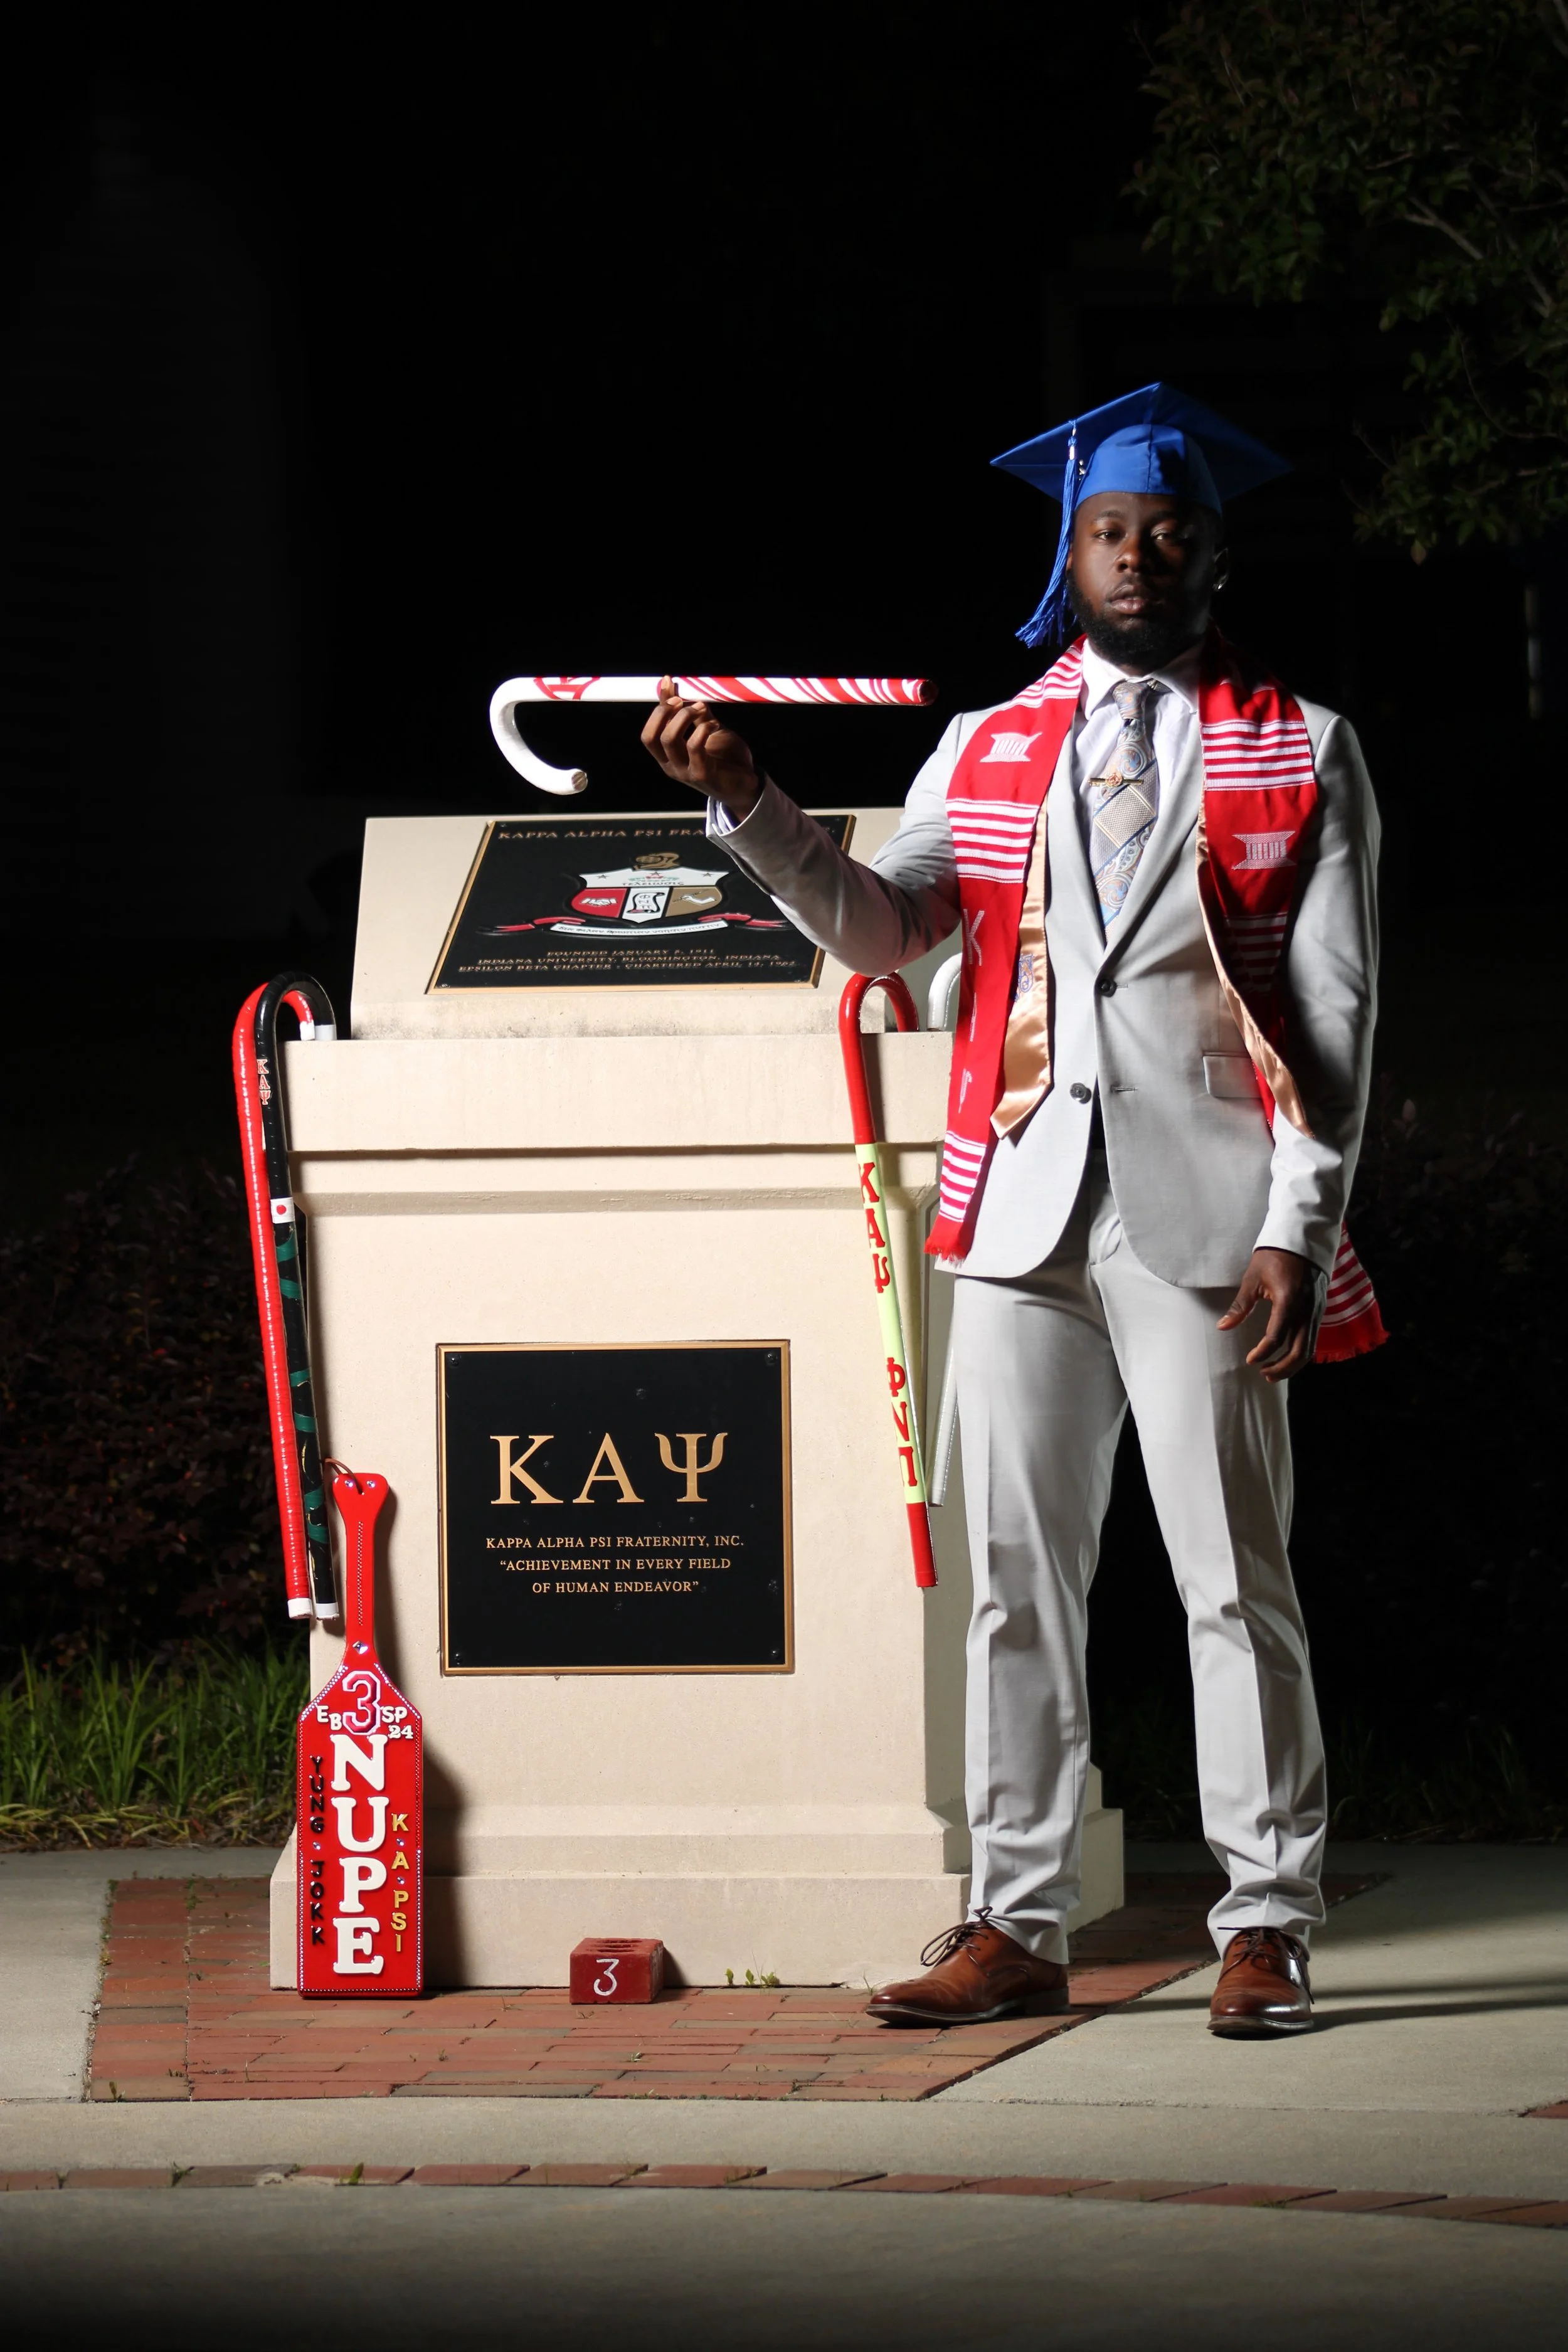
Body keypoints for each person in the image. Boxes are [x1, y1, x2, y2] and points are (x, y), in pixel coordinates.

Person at [641, 383, 1381, 2038]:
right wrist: (754, 803)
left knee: (1225, 1574)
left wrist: (1295, 1222)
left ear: (1212, 555)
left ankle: (1263, 1916)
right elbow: (890, 932)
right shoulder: (986, 745)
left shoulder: (1300, 745)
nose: (1135, 554)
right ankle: (1017, 1913)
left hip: (1206, 1217)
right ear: (1074, 551)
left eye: (1164, 531)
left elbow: (1332, 1021)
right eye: (1108, 531)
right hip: (1026, 1197)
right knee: (1006, 1574)